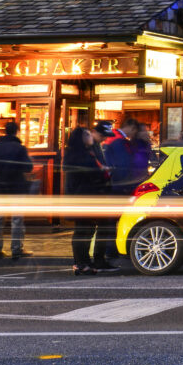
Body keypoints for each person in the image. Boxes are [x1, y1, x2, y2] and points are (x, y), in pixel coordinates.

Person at [63, 127, 118, 275]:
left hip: (88, 197)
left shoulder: (88, 152)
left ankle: (84, 262)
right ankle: (81, 264)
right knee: (82, 231)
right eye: (86, 134)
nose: (90, 136)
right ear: (80, 138)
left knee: (87, 230)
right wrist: (102, 172)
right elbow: (89, 173)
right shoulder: (77, 155)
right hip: (81, 198)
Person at [0, 121, 33, 263]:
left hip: (0, 187)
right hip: (17, 187)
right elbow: (28, 167)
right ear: (16, 132)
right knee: (17, 219)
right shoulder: (20, 148)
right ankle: (16, 249)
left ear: (5, 132)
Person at [105, 117, 139, 195]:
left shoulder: (112, 135)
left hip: (112, 180)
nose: (134, 134)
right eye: (135, 131)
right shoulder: (119, 140)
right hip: (119, 183)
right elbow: (122, 164)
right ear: (131, 127)